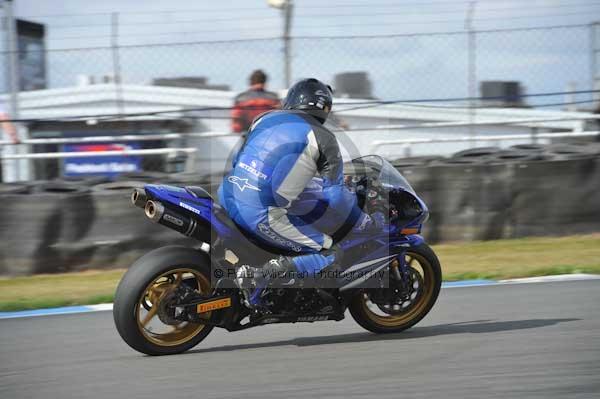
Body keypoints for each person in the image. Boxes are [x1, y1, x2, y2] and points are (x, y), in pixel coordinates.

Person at [219, 78, 382, 305]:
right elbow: (336, 197)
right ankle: (261, 276)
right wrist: (364, 220)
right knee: (329, 251)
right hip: (261, 215)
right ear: (325, 107)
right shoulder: (323, 138)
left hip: (226, 195)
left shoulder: (263, 119)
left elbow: (239, 160)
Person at [230, 70, 280, 134]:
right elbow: (279, 120)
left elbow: (236, 126)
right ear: (265, 81)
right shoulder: (273, 98)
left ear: (251, 82)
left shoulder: (241, 98)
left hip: (248, 135)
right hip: (269, 134)